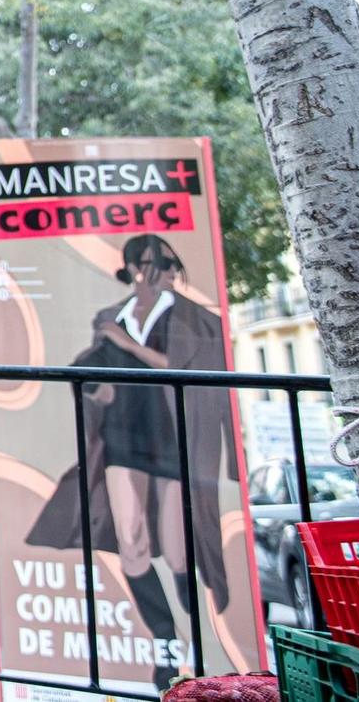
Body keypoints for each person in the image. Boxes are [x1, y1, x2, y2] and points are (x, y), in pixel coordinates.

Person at [26, 233, 234, 691]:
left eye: (162, 263)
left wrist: (130, 345)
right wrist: (95, 388)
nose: (153, 272)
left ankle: (198, 640)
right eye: (143, 264)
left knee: (179, 548)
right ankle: (164, 644)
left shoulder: (194, 320)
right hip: (121, 435)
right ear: (129, 269)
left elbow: (188, 372)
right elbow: (94, 365)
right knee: (132, 539)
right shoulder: (111, 317)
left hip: (173, 438)